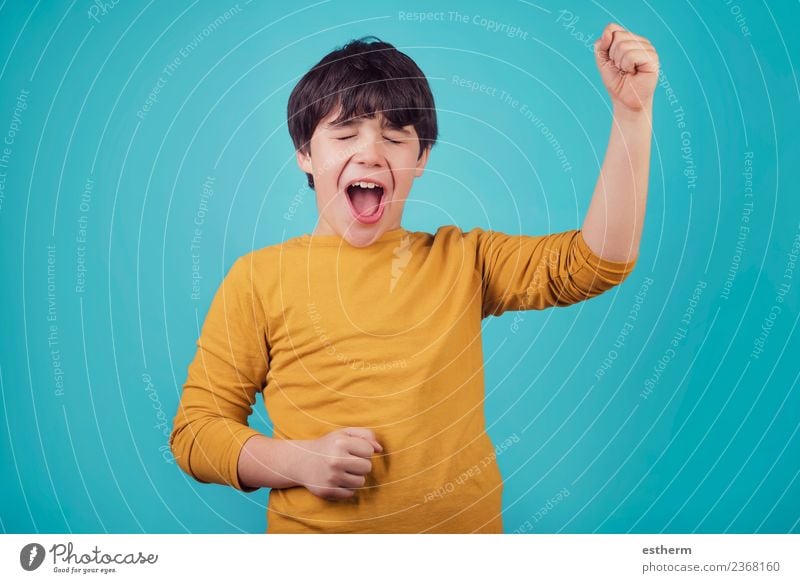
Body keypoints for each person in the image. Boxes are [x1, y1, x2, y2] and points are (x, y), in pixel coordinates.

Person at [169, 24, 659, 533]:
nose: (370, 152)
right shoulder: (257, 279)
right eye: (344, 134)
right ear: (306, 153)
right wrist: (298, 462)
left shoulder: (465, 260)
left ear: (421, 158)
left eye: (395, 137)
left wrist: (632, 113)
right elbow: (195, 434)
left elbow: (596, 263)